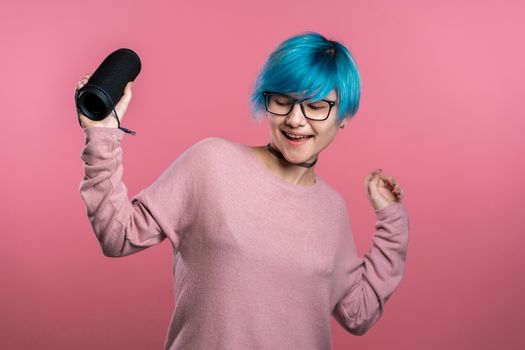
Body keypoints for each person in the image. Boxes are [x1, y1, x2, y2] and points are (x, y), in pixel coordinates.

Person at [77, 31, 410, 350]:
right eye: (283, 101)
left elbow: (358, 313)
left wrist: (391, 220)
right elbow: (117, 236)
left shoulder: (332, 210)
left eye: (316, 106)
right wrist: (102, 137)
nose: (295, 119)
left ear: (343, 115)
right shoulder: (211, 162)